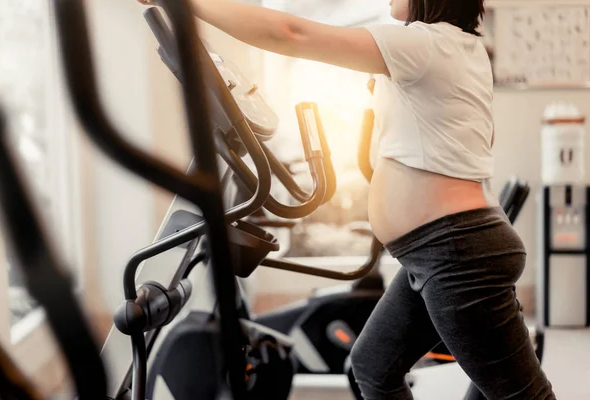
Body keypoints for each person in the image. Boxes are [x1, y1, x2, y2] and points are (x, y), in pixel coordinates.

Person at [138, 0, 555, 398]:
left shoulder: (423, 43)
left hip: (454, 255)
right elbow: (454, 150)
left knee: (521, 394)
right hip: (441, 252)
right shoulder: (462, 49)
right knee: (373, 368)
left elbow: (290, 32)